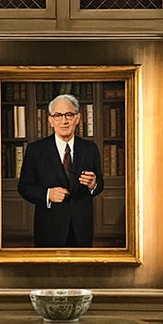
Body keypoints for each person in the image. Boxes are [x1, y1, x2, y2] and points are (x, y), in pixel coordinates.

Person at [17, 93, 104, 247]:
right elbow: (24, 187)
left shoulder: (90, 149)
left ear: (77, 118)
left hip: (81, 227)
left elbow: (100, 184)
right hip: (49, 227)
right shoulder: (35, 150)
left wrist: (93, 185)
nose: (64, 121)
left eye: (69, 115)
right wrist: (47, 194)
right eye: (58, 116)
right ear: (50, 120)